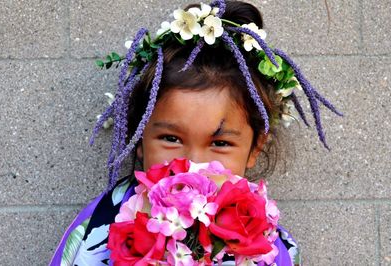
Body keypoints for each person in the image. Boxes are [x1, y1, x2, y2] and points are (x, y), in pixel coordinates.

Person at [50, 0, 342, 265]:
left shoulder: (268, 250)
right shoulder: (97, 230)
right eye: (171, 139)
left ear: (255, 147)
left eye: (220, 143)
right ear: (139, 134)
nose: (191, 166)